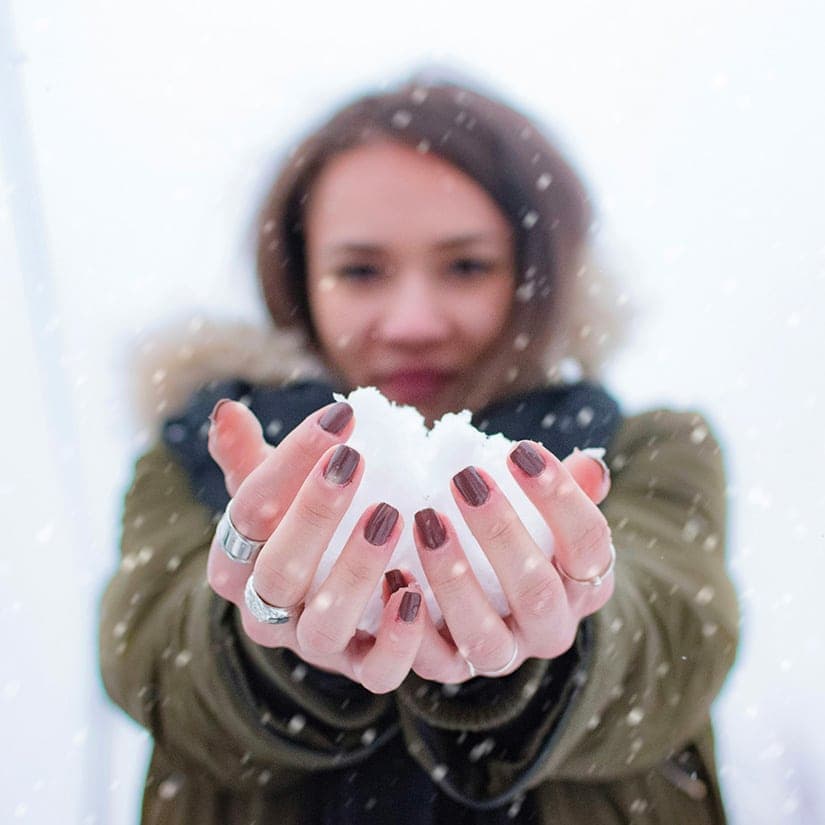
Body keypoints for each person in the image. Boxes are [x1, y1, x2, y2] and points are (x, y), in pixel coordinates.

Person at [99, 71, 739, 824]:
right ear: (301, 280)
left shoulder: (646, 448)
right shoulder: (196, 453)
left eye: (466, 265)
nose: (410, 320)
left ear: (538, 274)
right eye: (361, 270)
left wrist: (558, 635)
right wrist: (266, 646)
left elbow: (675, 642)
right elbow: (151, 664)